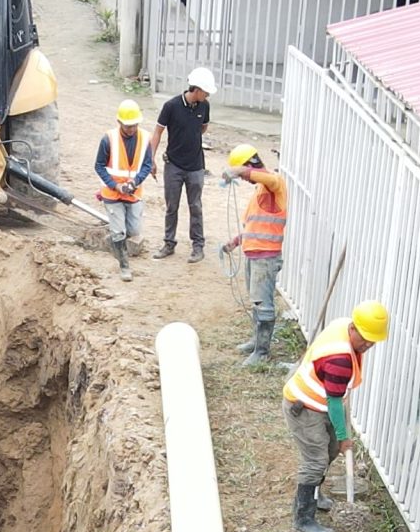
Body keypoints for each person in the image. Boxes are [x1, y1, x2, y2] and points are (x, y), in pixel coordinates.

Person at [283, 299, 388, 532]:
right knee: (316, 460)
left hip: (320, 403)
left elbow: (335, 399)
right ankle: (303, 518)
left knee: (328, 452)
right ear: (353, 328)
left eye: (373, 340)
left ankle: (316, 494)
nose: (368, 344)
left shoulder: (343, 325)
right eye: (364, 338)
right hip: (304, 407)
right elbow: (334, 402)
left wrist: (337, 442)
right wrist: (343, 438)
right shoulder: (339, 359)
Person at [220, 145, 288, 364]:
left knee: (264, 303)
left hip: (266, 257)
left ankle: (262, 352)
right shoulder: (260, 190)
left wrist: (239, 172)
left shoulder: (272, 183)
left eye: (245, 171)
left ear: (249, 165)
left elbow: (272, 180)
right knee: (256, 302)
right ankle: (256, 341)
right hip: (255, 254)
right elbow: (254, 225)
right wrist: (236, 242)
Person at [153, 67, 215, 262]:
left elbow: (203, 127)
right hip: (174, 166)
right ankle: (169, 243)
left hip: (196, 166)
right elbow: (157, 132)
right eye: (206, 92)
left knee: (195, 206)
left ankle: (198, 246)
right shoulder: (171, 106)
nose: (207, 96)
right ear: (196, 89)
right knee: (172, 206)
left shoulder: (204, 106)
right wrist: (151, 159)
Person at [94, 100, 155, 281]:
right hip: (113, 194)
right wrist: (115, 185)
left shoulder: (144, 139)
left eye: (134, 125)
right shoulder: (108, 139)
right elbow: (99, 166)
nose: (131, 129)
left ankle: (114, 237)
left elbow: (146, 165)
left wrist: (135, 182)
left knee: (134, 230)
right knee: (119, 231)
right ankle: (124, 265)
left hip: (133, 193)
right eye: (128, 126)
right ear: (119, 123)